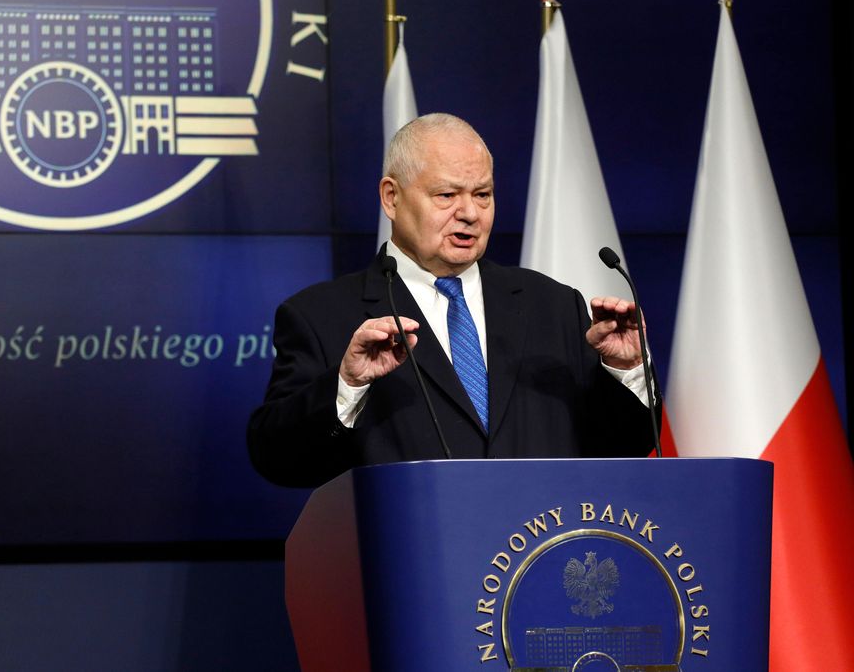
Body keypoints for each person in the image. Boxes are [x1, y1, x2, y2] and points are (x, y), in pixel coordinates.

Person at [247, 113, 654, 488]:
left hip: (543, 540)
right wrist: (348, 385)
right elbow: (277, 459)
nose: (470, 213)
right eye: (446, 195)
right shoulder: (321, 316)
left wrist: (625, 370)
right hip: (411, 542)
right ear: (391, 197)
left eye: (483, 194)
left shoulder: (553, 305)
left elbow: (621, 447)